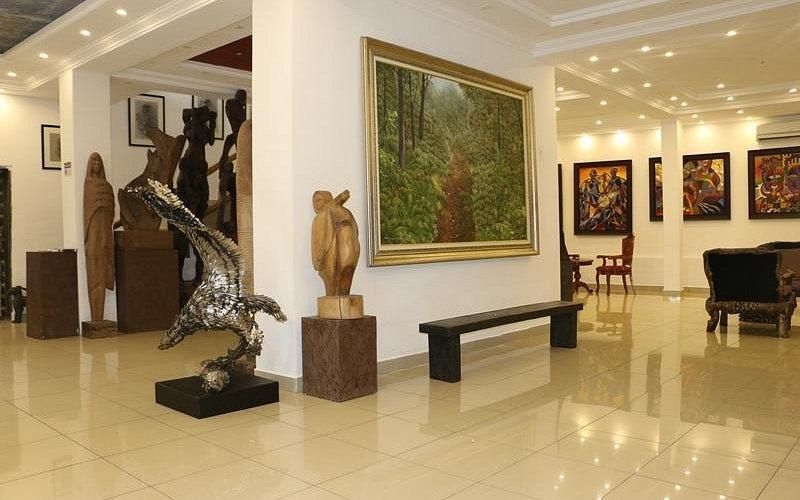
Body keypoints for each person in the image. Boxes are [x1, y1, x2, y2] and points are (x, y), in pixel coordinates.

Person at [83, 153, 115, 322]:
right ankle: (96, 318)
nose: (96, 163)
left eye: (99, 161)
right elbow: (88, 210)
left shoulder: (107, 186)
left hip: (104, 231)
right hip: (93, 232)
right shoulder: (89, 185)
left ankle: (100, 319)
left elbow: (111, 210)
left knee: (103, 265)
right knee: (94, 268)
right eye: (94, 161)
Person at [311, 190, 360, 296]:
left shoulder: (339, 212)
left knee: (345, 274)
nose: (316, 204)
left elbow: (355, 231)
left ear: (327, 200)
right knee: (332, 285)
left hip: (346, 250)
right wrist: (320, 257)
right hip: (331, 256)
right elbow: (324, 239)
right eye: (314, 202)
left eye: (319, 200)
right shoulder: (320, 218)